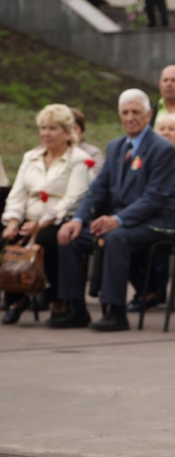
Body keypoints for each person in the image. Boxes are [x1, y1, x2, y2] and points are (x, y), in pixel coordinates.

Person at [57, 89, 175, 332]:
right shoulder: (115, 147)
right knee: (69, 236)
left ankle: (115, 312)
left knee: (114, 237)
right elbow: (97, 190)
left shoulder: (161, 148)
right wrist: (78, 219)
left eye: (136, 112)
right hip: (120, 219)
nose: (130, 117)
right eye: (125, 112)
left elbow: (154, 198)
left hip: (155, 221)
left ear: (149, 115)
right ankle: (76, 310)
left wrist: (118, 219)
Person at [1, 104, 92, 326]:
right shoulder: (31, 157)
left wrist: (39, 224)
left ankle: (57, 301)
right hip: (27, 217)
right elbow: (18, 193)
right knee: (6, 236)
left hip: (61, 219)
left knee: (47, 239)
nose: (45, 133)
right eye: (43, 128)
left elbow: (72, 199)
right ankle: (15, 297)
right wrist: (13, 221)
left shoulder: (79, 160)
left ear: (67, 132)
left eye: (52, 128)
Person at [70, 107, 105, 176]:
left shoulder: (93, 154)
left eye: (74, 128)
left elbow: (96, 180)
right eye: (67, 129)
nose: (70, 133)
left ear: (82, 131)